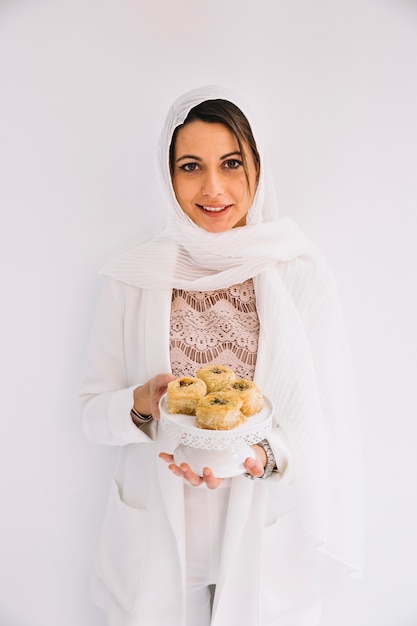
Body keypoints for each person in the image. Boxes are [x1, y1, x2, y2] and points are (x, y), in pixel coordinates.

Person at [80, 85, 362, 626]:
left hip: (263, 535)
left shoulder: (296, 271)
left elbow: (322, 418)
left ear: (257, 165)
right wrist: (140, 405)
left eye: (231, 163)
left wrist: (262, 458)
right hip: (154, 539)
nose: (213, 188)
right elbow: (92, 412)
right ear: (168, 175)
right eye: (191, 166)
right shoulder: (133, 275)